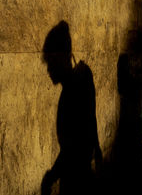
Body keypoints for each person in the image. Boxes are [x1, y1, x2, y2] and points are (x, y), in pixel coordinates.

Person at [41, 21, 102, 195]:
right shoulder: (82, 78)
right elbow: (91, 119)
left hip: (76, 179)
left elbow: (71, 149)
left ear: (62, 57)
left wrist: (52, 176)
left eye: (50, 61)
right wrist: (97, 150)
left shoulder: (73, 91)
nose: (48, 69)